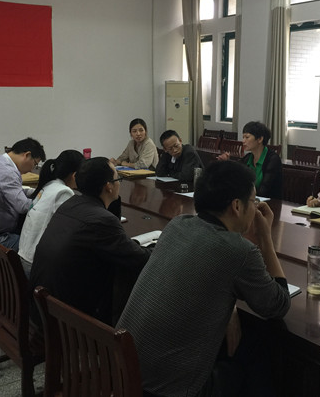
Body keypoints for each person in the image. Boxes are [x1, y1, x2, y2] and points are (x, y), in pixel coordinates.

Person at [117, 161, 291, 397]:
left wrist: (230, 308)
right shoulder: (239, 251)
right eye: (253, 201)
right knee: (260, 346)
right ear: (237, 206)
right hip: (171, 391)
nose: (255, 208)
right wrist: (265, 237)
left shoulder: (177, 225)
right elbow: (278, 305)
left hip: (123, 373)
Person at [29, 157, 153, 325]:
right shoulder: (101, 220)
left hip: (42, 307)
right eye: (118, 179)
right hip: (65, 322)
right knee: (126, 277)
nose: (119, 183)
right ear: (108, 186)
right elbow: (140, 259)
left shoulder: (71, 203)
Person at [17, 150, 84, 277]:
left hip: (24, 256)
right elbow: (68, 231)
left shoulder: (49, 185)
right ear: (75, 175)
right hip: (35, 265)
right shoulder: (64, 192)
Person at [0, 137, 45, 251]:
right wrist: (45, 199)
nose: (32, 170)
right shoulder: (8, 171)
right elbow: (23, 206)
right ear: (27, 155)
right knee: (40, 246)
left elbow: (13, 190)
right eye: (35, 164)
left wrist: (34, 192)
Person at [218, 121, 282, 199]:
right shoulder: (248, 158)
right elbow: (236, 175)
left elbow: (264, 190)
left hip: (270, 203)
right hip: (250, 201)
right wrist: (226, 162)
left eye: (247, 137)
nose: (243, 141)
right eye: (243, 137)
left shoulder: (273, 159)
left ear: (260, 139)